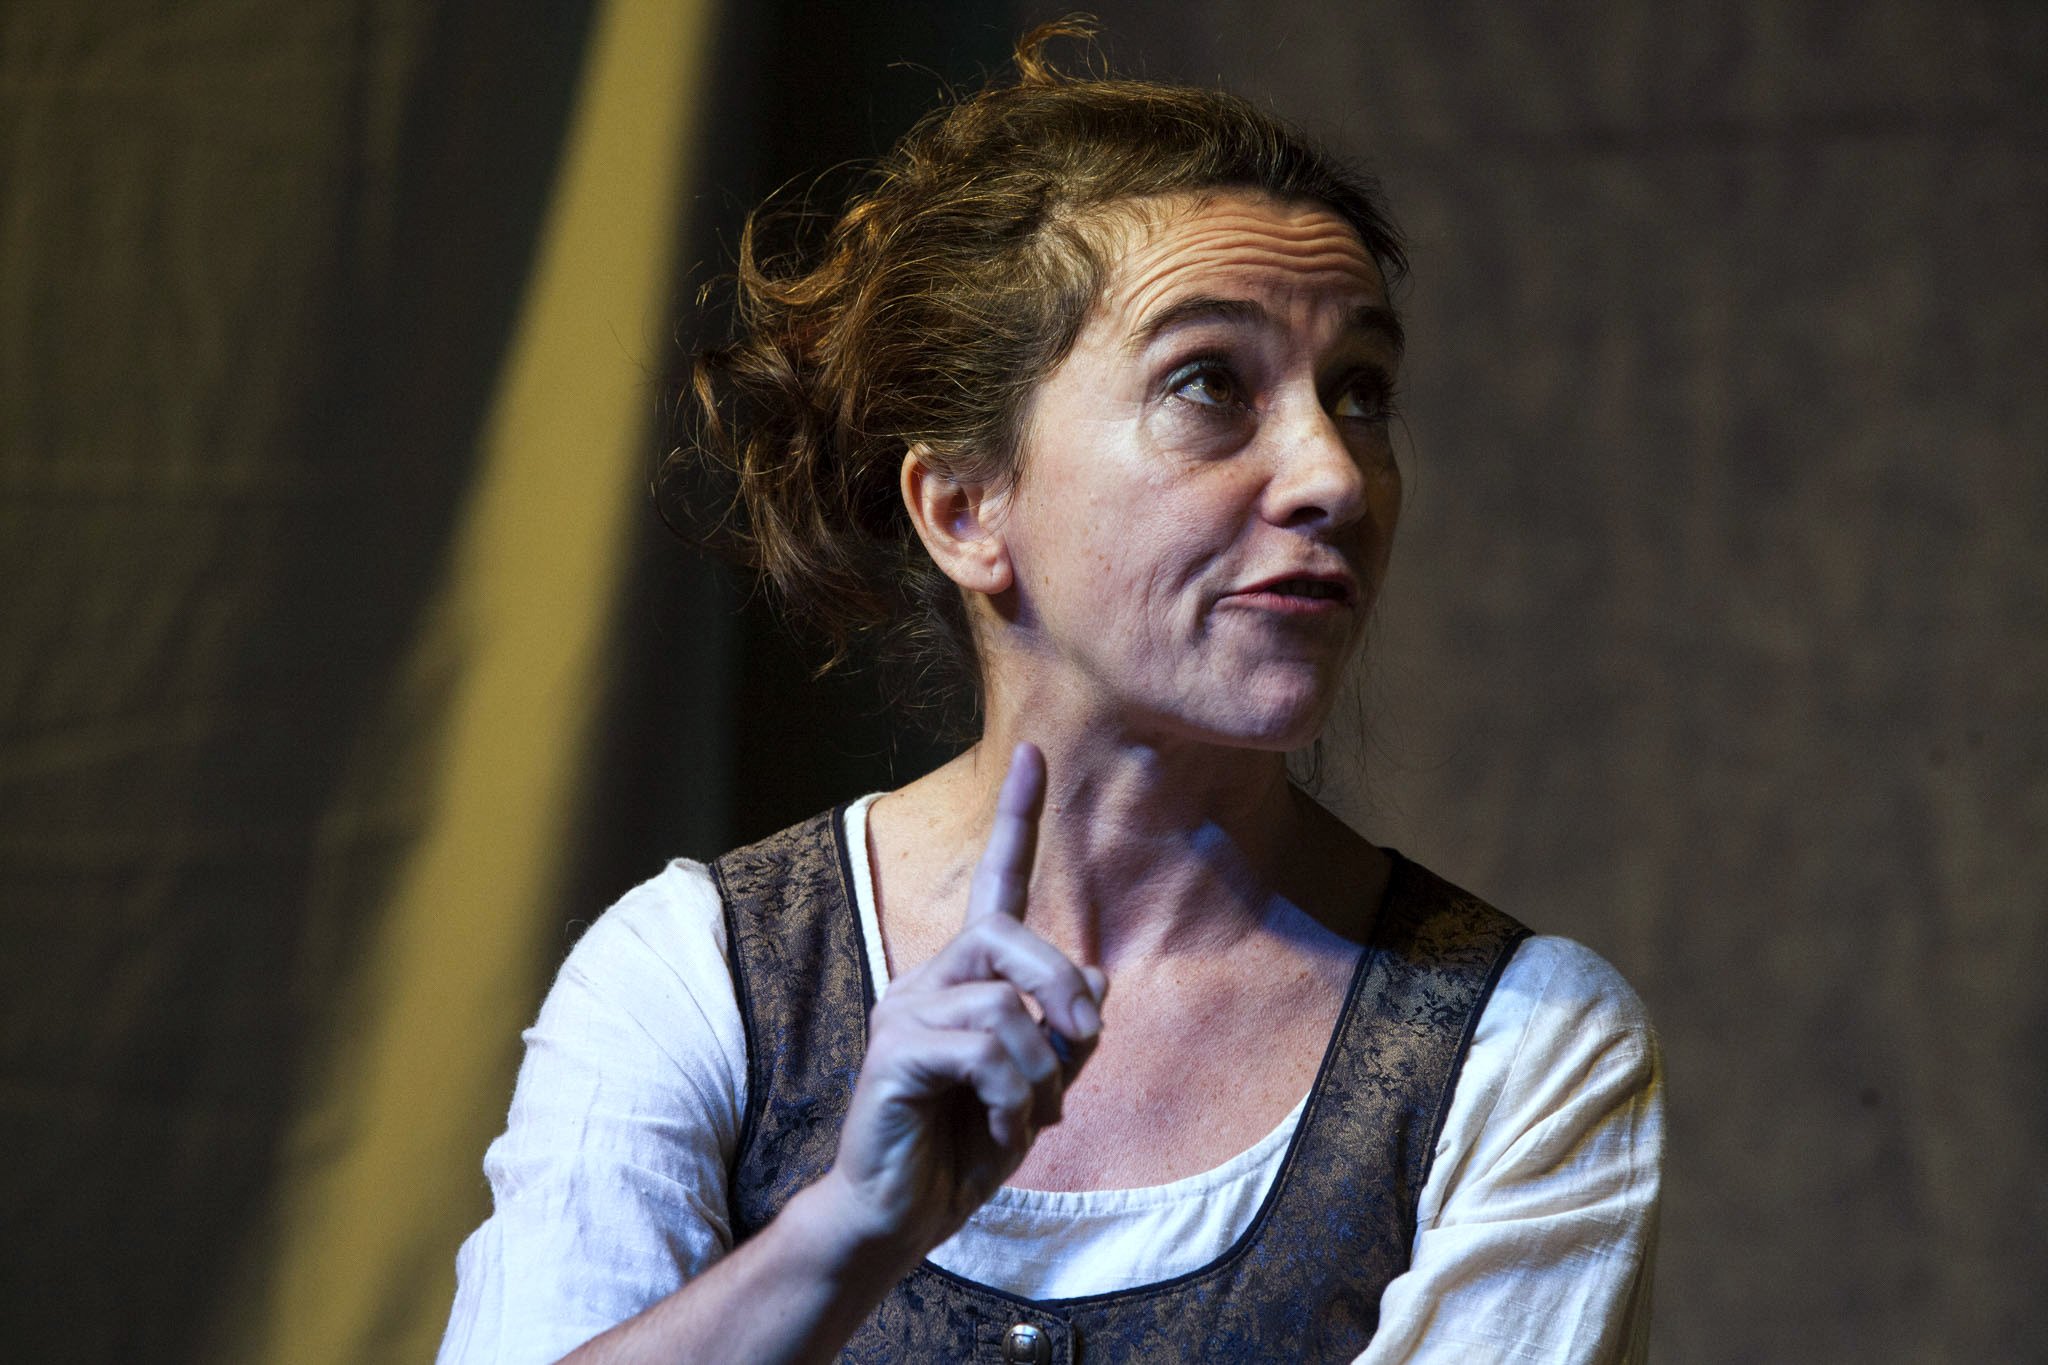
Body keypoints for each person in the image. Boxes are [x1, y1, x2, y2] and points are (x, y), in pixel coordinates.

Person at [439, 21, 1663, 1364]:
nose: (1332, 475)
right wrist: (844, 1231)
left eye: (1359, 391)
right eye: (1209, 382)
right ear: (966, 509)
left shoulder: (1520, 1047)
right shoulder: (698, 977)